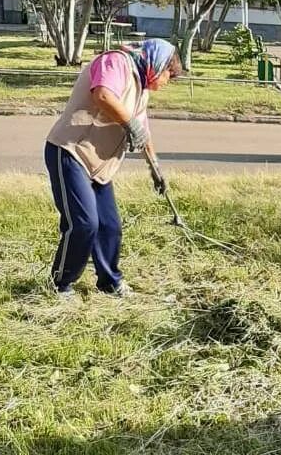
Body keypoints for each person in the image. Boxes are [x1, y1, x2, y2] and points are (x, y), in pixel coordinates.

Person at [44, 38, 182, 298]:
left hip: (100, 166)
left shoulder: (141, 86)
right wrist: (129, 123)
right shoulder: (116, 62)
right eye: (169, 76)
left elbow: (142, 131)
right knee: (84, 223)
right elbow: (103, 95)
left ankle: (110, 282)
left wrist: (155, 168)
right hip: (71, 152)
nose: (166, 83)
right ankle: (60, 285)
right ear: (159, 64)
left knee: (110, 226)